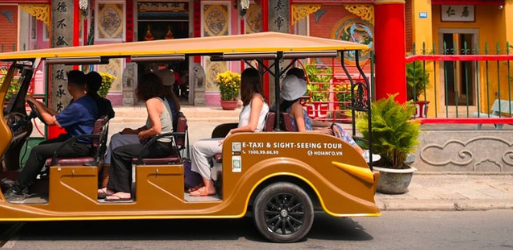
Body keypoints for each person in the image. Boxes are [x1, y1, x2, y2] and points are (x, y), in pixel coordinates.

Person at [6, 70, 98, 198]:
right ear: (84, 85)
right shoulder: (85, 101)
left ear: (69, 87)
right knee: (43, 145)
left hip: (78, 145)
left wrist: (34, 101)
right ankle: (28, 181)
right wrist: (41, 106)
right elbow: (58, 116)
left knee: (37, 151)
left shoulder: (78, 106)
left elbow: (50, 121)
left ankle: (17, 189)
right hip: (78, 141)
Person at [188, 68, 268, 197]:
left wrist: (233, 131)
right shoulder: (253, 99)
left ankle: (209, 186)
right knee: (201, 144)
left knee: (197, 147)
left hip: (243, 142)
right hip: (238, 139)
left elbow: (252, 127)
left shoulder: (257, 99)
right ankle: (206, 182)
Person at [99, 67, 179, 190]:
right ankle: (112, 185)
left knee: (118, 151)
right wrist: (134, 131)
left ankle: (118, 188)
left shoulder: (152, 102)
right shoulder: (162, 99)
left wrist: (142, 134)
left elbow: (156, 129)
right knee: (118, 141)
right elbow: (151, 126)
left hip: (158, 145)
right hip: (161, 144)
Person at [280, 67, 364, 155]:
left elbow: (310, 121)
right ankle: (359, 153)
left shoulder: (290, 106)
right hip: (309, 141)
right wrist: (321, 131)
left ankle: (358, 152)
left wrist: (329, 124)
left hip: (310, 137)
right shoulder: (297, 107)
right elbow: (302, 131)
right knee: (337, 130)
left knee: (336, 127)